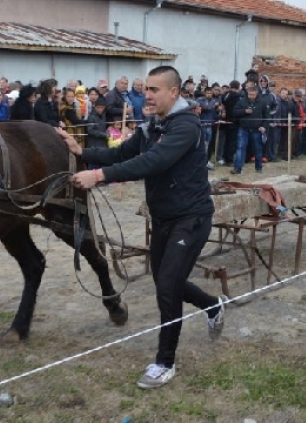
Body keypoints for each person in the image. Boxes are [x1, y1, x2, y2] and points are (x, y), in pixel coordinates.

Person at [56, 65, 226, 389]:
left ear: (173, 93)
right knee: (167, 281)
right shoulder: (153, 125)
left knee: (167, 287)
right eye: (146, 88)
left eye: (155, 89)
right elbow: (123, 152)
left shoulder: (186, 126)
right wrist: (83, 152)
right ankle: (213, 305)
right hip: (163, 218)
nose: (147, 95)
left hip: (191, 219)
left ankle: (165, 363)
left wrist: (99, 177)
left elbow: (153, 162)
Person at [231, 84, 268, 174]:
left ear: (256, 93)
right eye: (250, 94)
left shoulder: (262, 102)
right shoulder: (242, 101)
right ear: (247, 93)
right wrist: (244, 111)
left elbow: (267, 117)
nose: (251, 96)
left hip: (256, 129)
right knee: (240, 147)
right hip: (243, 128)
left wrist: (264, 126)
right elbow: (234, 112)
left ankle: (259, 168)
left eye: (253, 94)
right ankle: (237, 169)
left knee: (257, 149)